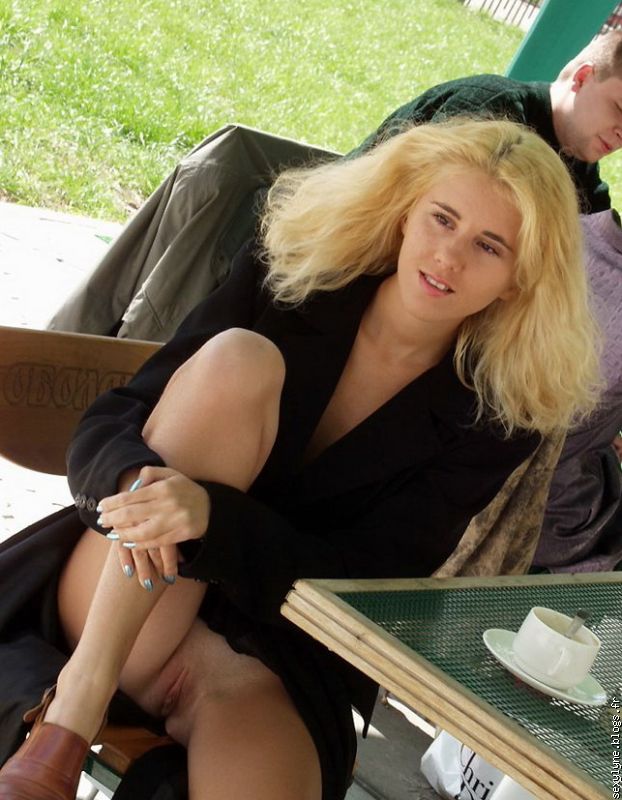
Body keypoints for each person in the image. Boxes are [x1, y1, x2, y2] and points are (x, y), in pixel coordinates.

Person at [0, 119, 600, 800]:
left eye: (488, 246)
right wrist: (137, 482)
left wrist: (213, 520)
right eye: (442, 218)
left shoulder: (498, 415)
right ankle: (72, 711)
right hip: (123, 592)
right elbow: (119, 413)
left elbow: (372, 578)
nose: (449, 257)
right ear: (406, 212)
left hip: (267, 646)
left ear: (519, 280)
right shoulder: (293, 272)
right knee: (239, 359)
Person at [352, 30, 622, 573]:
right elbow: (399, 240)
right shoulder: (488, 115)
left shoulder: (587, 197)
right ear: (582, 77)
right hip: (363, 312)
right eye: (620, 108)